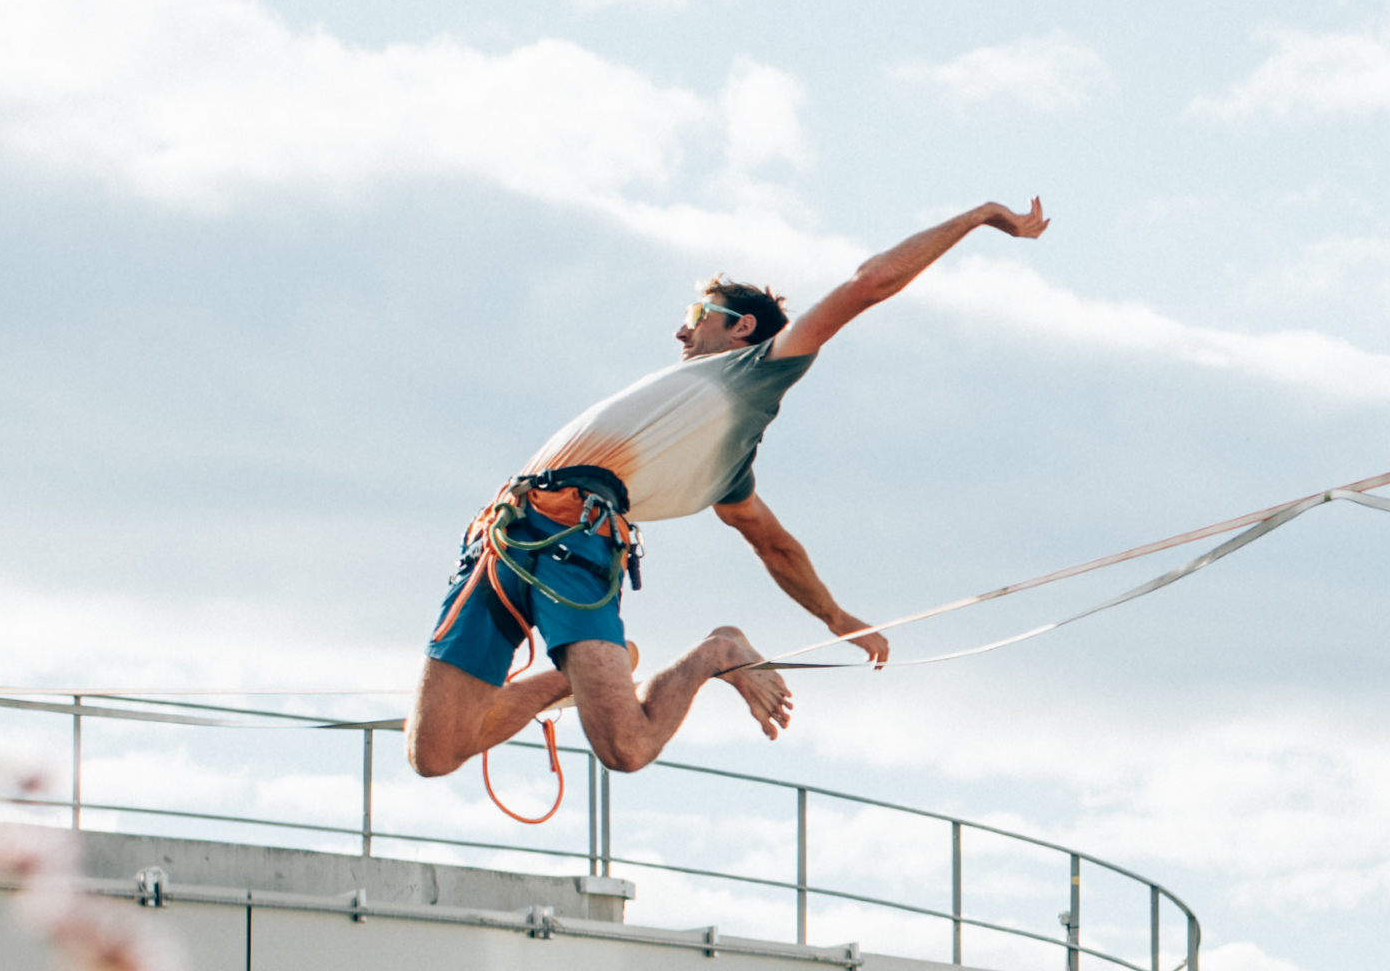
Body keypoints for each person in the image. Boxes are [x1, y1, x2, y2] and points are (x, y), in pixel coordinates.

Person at [411, 195, 1050, 784]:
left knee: (626, 750)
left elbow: (868, 285)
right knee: (433, 755)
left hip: (573, 544)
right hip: (498, 542)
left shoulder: (756, 370)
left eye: (697, 315)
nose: (681, 331)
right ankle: (576, 678)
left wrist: (979, 217)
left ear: (743, 327)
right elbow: (772, 544)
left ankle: (717, 650)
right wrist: (834, 615)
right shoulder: (694, 423)